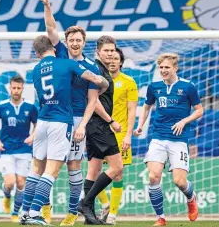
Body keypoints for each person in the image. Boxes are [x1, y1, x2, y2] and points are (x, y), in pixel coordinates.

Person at [20, 35, 108, 225]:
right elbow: (94, 78)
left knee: (36, 169)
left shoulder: (35, 70)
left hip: (42, 121)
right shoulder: (66, 64)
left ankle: (24, 211)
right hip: (61, 122)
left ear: (37, 53)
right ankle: (35, 213)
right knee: (52, 171)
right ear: (54, 47)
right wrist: (104, 82)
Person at [39, 0, 101, 226]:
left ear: (84, 43)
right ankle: (44, 211)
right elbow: (50, 29)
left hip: (75, 120)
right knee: (46, 164)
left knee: (73, 166)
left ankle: (72, 213)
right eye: (71, 39)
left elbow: (92, 100)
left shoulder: (91, 67)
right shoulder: (61, 53)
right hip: (54, 118)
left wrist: (83, 125)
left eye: (79, 40)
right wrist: (47, 7)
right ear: (66, 42)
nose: (74, 43)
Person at [133, 53, 203, 226]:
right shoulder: (154, 87)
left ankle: (191, 197)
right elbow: (147, 106)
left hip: (179, 140)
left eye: (167, 67)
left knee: (179, 181)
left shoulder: (188, 86)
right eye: (161, 67)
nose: (163, 70)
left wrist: (184, 121)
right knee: (153, 177)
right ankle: (161, 218)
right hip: (158, 137)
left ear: (175, 68)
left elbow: (199, 110)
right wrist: (140, 125)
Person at [78, 36, 124, 225]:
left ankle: (89, 216)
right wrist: (111, 120)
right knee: (117, 167)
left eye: (112, 51)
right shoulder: (96, 71)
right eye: (106, 51)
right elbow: (93, 101)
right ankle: (86, 203)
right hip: (98, 124)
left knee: (94, 171)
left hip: (94, 125)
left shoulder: (103, 70)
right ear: (98, 52)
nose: (110, 54)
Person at [97, 48, 138, 224]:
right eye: (110, 58)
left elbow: (132, 111)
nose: (112, 61)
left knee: (118, 175)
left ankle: (112, 215)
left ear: (121, 62)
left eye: (116, 58)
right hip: (99, 132)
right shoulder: (99, 80)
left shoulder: (129, 82)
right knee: (94, 172)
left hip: (120, 135)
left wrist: (128, 136)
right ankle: (105, 204)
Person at [0, 76, 38, 222]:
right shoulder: (2, 106)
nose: (16, 91)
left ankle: (15, 213)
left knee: (21, 183)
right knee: (10, 182)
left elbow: (38, 124)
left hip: (24, 149)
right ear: (9, 88)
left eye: (19, 88)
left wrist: (32, 137)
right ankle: (7, 196)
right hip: (7, 149)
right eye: (13, 88)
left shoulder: (30, 107)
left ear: (23, 89)